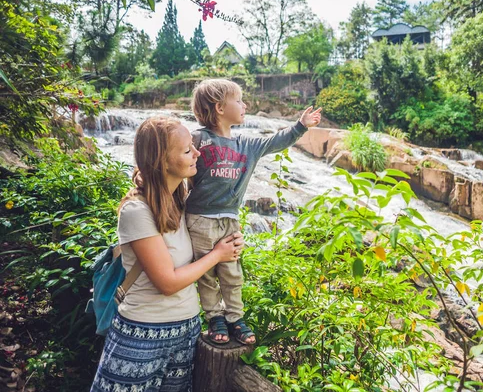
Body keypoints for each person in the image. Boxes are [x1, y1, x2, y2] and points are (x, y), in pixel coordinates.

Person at [91, 116, 244, 392]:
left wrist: (229, 241)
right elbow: (167, 283)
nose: (198, 153)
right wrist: (217, 255)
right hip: (141, 336)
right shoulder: (136, 211)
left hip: (186, 332)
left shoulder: (183, 203)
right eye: (187, 150)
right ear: (162, 161)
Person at [186, 79, 322, 345]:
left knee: (232, 272)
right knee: (206, 274)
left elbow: (275, 141)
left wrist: (300, 126)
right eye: (239, 100)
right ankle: (214, 317)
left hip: (230, 219)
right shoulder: (198, 139)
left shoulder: (246, 144)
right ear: (219, 107)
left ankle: (235, 318)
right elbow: (176, 161)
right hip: (199, 219)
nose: (245, 105)